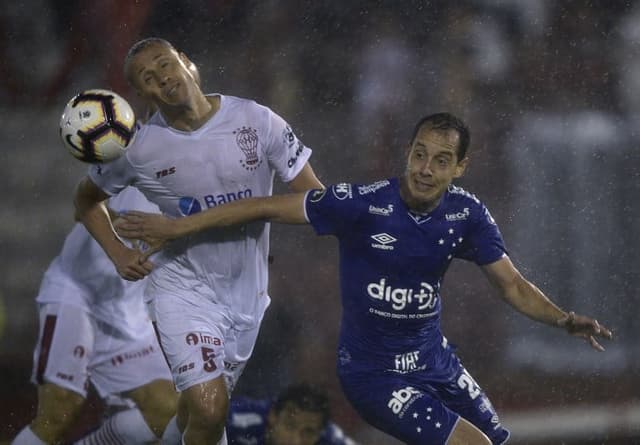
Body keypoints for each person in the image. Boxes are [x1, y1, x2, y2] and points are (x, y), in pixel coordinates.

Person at [114, 112, 613, 445]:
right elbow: (264, 205)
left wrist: (564, 320)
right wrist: (179, 226)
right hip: (373, 376)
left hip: (435, 361)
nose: (425, 168)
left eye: (441, 160)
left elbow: (513, 286)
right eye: (419, 153)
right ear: (407, 151)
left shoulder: (468, 215)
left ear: (460, 167)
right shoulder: (361, 204)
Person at [73, 37, 324, 444]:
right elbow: (85, 202)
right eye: (148, 78)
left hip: (246, 295)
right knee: (211, 408)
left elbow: (316, 201)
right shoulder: (138, 149)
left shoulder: (257, 120)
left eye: (165, 64)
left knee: (194, 414)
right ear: (142, 95)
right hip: (181, 287)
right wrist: (118, 253)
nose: (162, 78)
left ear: (187, 62)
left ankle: (124, 437)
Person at [11, 186, 180, 445]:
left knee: (168, 410)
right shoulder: (135, 154)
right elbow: (83, 206)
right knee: (59, 411)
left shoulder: (212, 173)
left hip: (127, 309)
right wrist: (120, 232)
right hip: (77, 293)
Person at [226, 383, 356, 445]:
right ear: (273, 416)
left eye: (308, 433)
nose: (295, 441)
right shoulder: (236, 422)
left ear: (320, 433)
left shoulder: (332, 440)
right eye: (290, 426)